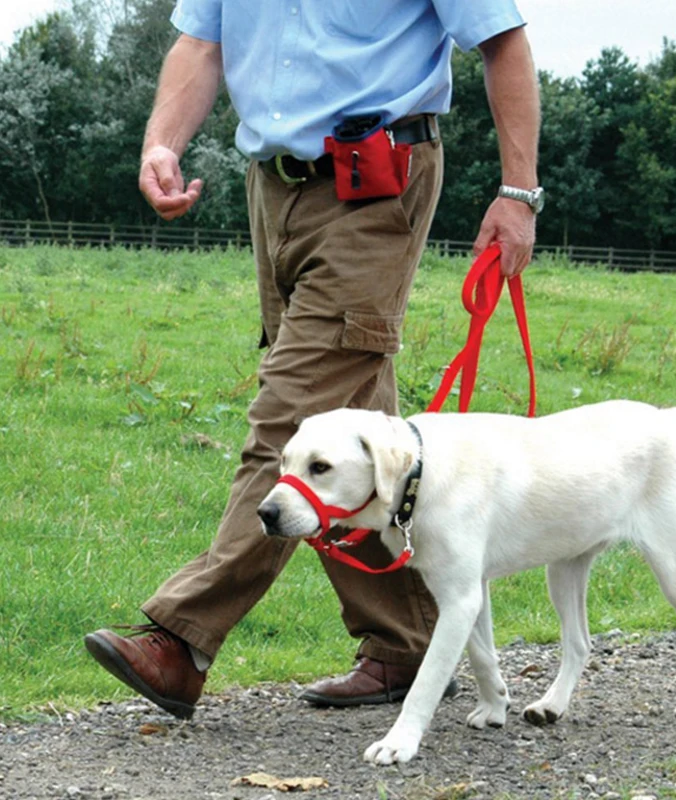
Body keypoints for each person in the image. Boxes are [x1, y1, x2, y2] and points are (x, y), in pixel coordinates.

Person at [84, 0, 542, 719]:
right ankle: (408, 641)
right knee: (353, 426)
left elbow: (502, 40)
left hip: (378, 183)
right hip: (272, 187)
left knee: (291, 422)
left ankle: (183, 639)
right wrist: (161, 142)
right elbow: (200, 44)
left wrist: (519, 192)